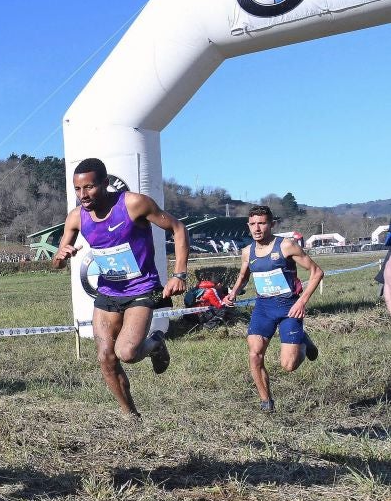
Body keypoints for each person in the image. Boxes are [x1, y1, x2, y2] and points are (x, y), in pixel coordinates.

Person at [52, 158, 189, 419]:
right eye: (78, 190)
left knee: (126, 353)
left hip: (141, 288)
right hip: (108, 292)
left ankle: (156, 344)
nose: (83, 195)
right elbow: (57, 263)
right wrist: (61, 256)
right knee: (105, 358)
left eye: (89, 188)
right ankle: (130, 415)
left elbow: (178, 228)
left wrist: (179, 273)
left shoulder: (133, 204)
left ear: (105, 183)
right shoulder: (76, 217)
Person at [222, 206, 322, 412]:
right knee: (254, 354)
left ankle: (303, 339)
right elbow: (243, 277)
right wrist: (233, 293)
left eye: (262, 223)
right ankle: (266, 402)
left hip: (289, 308)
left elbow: (316, 272)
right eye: (253, 224)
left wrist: (301, 302)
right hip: (263, 308)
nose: (257, 228)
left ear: (271, 224)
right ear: (248, 226)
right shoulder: (247, 251)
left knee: (288, 365)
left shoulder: (286, 246)